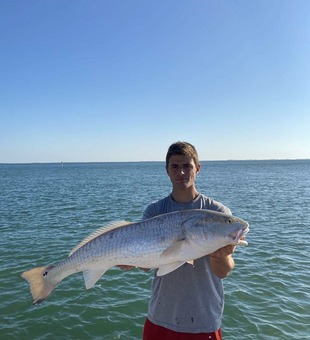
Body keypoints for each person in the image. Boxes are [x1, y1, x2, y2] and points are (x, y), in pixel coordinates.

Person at [141, 141, 239, 340]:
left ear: (198, 169)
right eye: (175, 166)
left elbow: (223, 271)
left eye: (187, 166)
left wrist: (221, 257)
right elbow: (146, 266)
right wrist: (128, 260)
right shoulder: (154, 212)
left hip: (204, 321)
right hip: (160, 317)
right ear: (167, 171)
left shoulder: (219, 214)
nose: (182, 172)